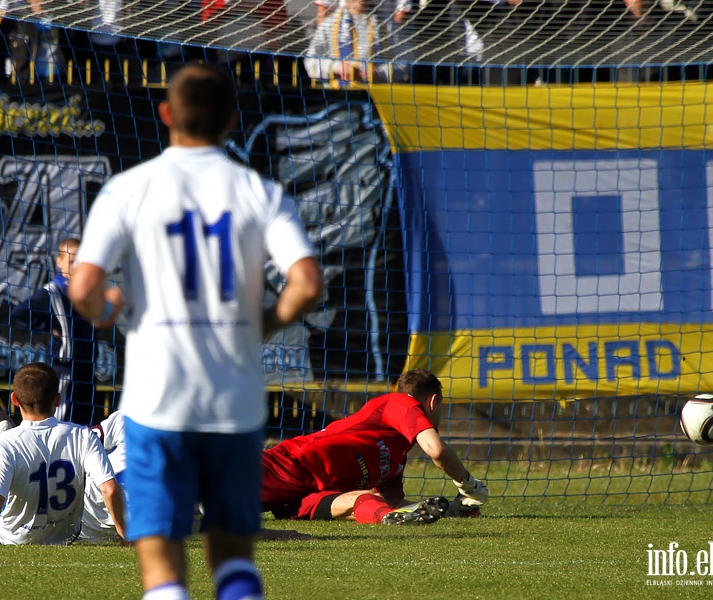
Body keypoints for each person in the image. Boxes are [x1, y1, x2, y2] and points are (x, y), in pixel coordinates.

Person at [69, 63, 323, 600]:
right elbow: (306, 283)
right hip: (234, 401)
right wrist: (267, 322)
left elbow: (83, 288)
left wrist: (109, 306)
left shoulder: (128, 189)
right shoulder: (260, 192)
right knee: (232, 557)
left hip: (156, 401)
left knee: (162, 566)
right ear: (232, 119)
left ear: (165, 114)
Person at [0, 362, 126, 545]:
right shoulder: (83, 435)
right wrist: (127, 536)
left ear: (14, 399)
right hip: (65, 534)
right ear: (57, 399)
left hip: (9, 536)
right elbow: (109, 488)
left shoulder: (2, 443)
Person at [262, 369, 489, 525]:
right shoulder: (400, 402)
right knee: (228, 503)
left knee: (366, 500)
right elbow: (436, 450)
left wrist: (451, 509)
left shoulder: (396, 456)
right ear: (434, 401)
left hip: (302, 498)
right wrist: (469, 485)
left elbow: (396, 503)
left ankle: (386, 520)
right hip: (288, 467)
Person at [12, 238, 104, 426]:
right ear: (59, 262)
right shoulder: (52, 292)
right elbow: (19, 312)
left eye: (80, 260)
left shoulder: (86, 292)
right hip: (64, 368)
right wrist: (49, 328)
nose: (76, 266)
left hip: (86, 368)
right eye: (71, 261)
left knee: (86, 425)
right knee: (62, 422)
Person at [304, 0, 408, 85]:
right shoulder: (329, 24)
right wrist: (336, 67)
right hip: (336, 95)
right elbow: (310, 63)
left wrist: (379, 73)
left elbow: (406, 62)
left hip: (376, 97)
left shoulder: (388, 25)